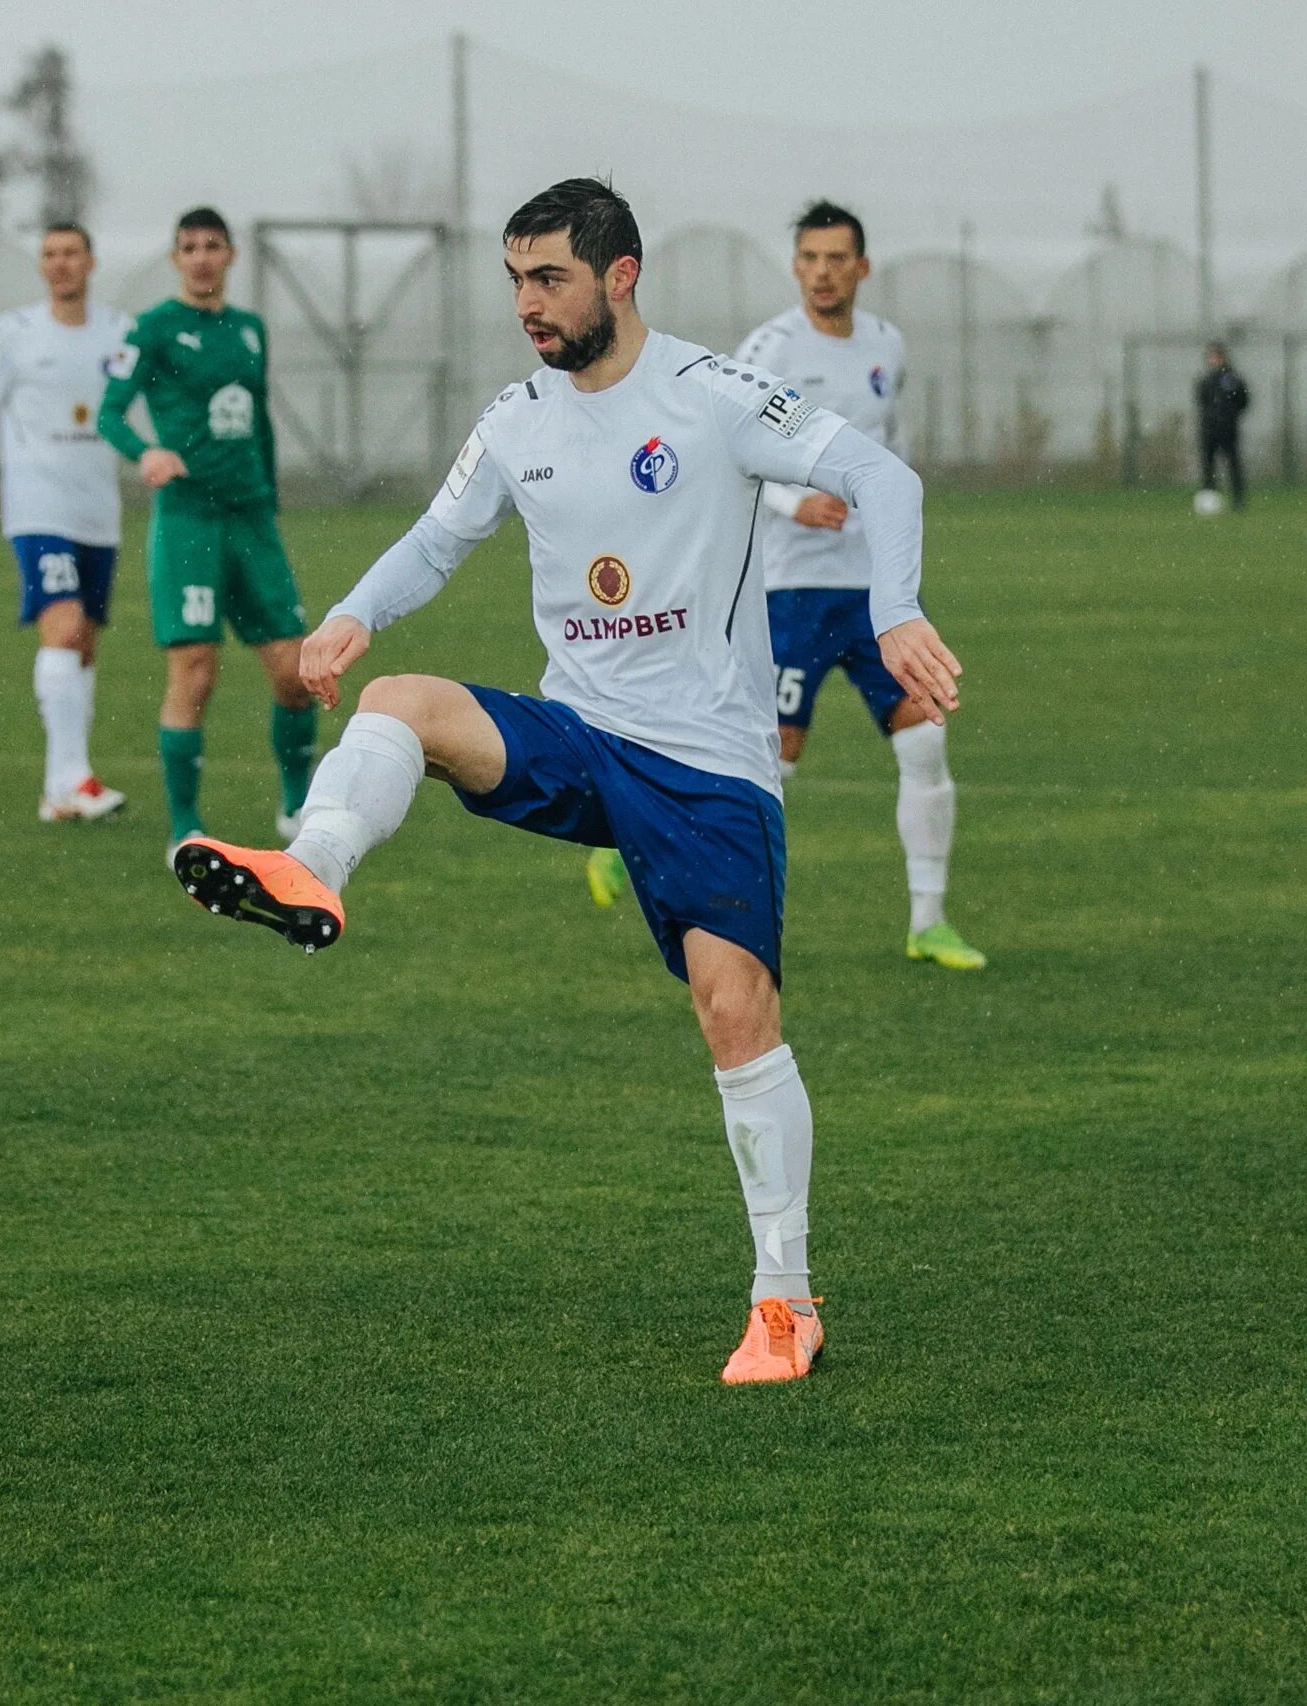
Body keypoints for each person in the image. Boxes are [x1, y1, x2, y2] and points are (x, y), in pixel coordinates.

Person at [169, 179, 964, 1384]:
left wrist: (894, 607)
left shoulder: (710, 398)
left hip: (708, 764)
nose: (526, 304)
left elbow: (883, 479)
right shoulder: (517, 419)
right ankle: (312, 869)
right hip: (579, 730)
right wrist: (347, 617)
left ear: (620, 274)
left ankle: (784, 1300)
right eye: (514, 279)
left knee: (733, 1016)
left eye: (548, 278)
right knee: (398, 705)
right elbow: (438, 538)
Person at [585, 201, 981, 969]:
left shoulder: (886, 346)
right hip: (789, 592)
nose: (823, 272)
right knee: (767, 764)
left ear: (862, 268)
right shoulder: (767, 348)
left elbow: (887, 449)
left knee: (926, 740)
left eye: (838, 259)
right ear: (795, 266)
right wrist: (799, 502)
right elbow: (721, 458)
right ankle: (625, 839)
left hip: (875, 593)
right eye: (810, 259)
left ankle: (928, 920)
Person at [96, 205, 317, 861]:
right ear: (175, 259)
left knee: (293, 672)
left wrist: (270, 497)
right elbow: (109, 411)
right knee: (195, 670)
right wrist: (146, 453)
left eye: (212, 245)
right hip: (189, 521)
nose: (200, 257)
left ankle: (296, 804)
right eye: (188, 246)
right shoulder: (153, 330)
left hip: (251, 521)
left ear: (230, 257)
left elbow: (260, 423)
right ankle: (185, 827)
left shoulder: (250, 330)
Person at [0, 223, 133, 823]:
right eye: (49, 255)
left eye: (70, 253)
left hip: (98, 513)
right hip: (38, 509)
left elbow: (150, 403)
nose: (60, 264)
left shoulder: (120, 334)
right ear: (41, 266)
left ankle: (58, 788)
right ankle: (73, 780)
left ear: (91, 261)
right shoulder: (14, 334)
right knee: (62, 632)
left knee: (83, 645)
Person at [1197, 342, 1250, 510]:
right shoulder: (1206, 381)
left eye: (1215, 357)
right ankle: (1209, 498)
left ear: (1223, 358)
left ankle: (1238, 500)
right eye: (1210, 357)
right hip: (1209, 430)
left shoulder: (1232, 380)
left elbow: (1243, 401)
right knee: (1208, 465)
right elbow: (1202, 401)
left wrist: (1229, 416)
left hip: (1228, 430)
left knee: (1233, 464)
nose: (1212, 361)